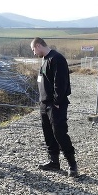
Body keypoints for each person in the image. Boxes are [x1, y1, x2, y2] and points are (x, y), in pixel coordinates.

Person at [30, 37, 78, 177]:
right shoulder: (44, 59)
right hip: (44, 104)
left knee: (59, 133)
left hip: (55, 104)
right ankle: (54, 161)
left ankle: (72, 164)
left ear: (38, 45)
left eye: (33, 49)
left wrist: (57, 101)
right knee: (48, 133)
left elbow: (60, 83)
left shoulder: (56, 59)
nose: (34, 53)